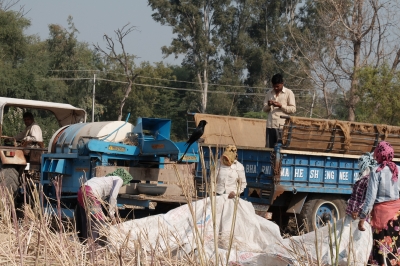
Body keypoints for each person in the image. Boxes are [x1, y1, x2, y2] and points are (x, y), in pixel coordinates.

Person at [358, 141, 400, 266]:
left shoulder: (376, 171)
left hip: (381, 217)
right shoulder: (398, 169)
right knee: (396, 248)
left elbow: (370, 198)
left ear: (378, 154)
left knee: (381, 250)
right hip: (397, 216)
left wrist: (362, 217)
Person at [75, 168, 133, 245]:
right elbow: (113, 197)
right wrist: (112, 215)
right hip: (90, 194)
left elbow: (110, 200)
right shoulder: (119, 179)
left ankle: (84, 243)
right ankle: (93, 245)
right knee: (98, 219)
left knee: (85, 218)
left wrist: (114, 211)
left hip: (81, 191)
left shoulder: (103, 179)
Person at [262, 73, 296, 148]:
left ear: (282, 84)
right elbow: (264, 109)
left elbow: (293, 109)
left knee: (280, 149)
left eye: (277, 86)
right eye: (274, 86)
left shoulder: (289, 93)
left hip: (282, 126)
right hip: (270, 125)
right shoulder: (269, 93)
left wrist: (280, 106)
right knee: (269, 149)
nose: (276, 88)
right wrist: (269, 105)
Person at [346, 152, 377, 219]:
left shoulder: (368, 180)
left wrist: (358, 211)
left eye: (360, 165)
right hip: (352, 212)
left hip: (358, 215)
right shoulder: (361, 178)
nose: (359, 166)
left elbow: (367, 199)